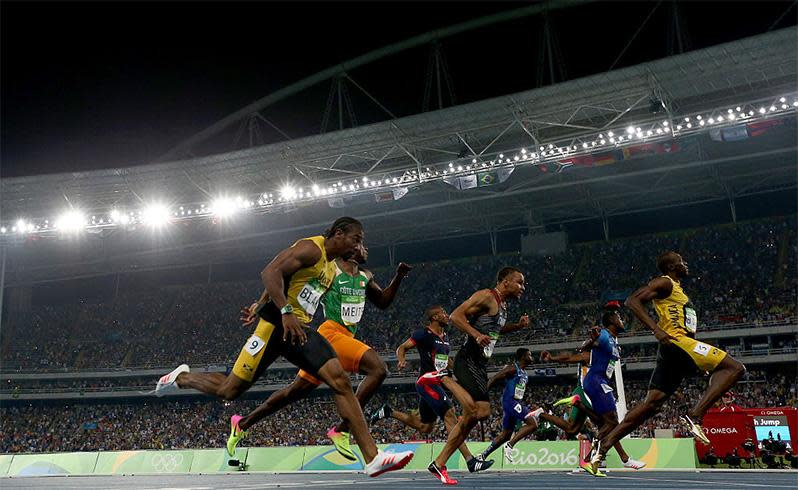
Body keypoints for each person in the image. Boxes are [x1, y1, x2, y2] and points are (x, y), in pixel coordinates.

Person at [153, 217, 413, 476]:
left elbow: (287, 279)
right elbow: (271, 271)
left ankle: (373, 458)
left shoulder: (331, 266)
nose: (359, 247)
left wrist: (261, 303)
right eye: (356, 240)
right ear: (338, 233)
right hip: (275, 327)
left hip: (298, 330)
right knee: (228, 390)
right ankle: (183, 378)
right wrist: (282, 310)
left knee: (340, 381)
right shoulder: (311, 248)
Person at [226, 243, 411, 461]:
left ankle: (242, 423)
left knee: (293, 392)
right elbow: (283, 275)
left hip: (345, 338)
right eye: (361, 244)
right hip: (331, 334)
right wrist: (262, 302)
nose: (366, 248)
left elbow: (382, 302)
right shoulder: (330, 270)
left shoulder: (365, 276)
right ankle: (342, 429)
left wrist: (398, 277)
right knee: (378, 369)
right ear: (350, 249)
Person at [589, 251, 746, 473]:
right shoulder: (665, 282)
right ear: (672, 267)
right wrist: (656, 329)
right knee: (735, 368)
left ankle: (604, 446)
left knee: (651, 405)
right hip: (677, 342)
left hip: (677, 350)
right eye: (681, 262)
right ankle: (695, 416)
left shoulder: (677, 289)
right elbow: (632, 301)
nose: (685, 264)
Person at [427, 266, 531, 485]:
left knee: (470, 418)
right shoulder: (487, 296)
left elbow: (495, 330)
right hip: (468, 361)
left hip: (480, 365)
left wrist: (517, 327)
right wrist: (475, 335)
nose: (523, 287)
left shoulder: (502, 307)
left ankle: (441, 462)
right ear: (505, 282)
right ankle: (444, 377)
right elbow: (456, 315)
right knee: (480, 411)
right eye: (519, 282)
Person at [370, 305, 494, 474]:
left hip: (439, 382)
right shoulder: (423, 334)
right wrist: (401, 360)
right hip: (428, 382)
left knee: (425, 427)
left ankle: (389, 411)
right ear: (435, 318)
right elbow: (402, 347)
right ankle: (470, 461)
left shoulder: (445, 336)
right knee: (450, 415)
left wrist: (460, 374)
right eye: (443, 313)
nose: (446, 315)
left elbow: (445, 359)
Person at [569, 308, 645, 476]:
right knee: (612, 423)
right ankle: (593, 458)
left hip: (600, 382)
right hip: (596, 382)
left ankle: (623, 459)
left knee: (610, 424)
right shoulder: (603, 334)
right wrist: (591, 340)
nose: (623, 320)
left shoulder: (612, 339)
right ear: (612, 321)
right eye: (619, 318)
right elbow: (585, 347)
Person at [478, 348, 543, 464]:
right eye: (530, 355)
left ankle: (482, 456)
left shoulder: (525, 374)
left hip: (516, 402)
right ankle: (510, 445)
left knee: (506, 434)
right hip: (510, 402)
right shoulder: (514, 368)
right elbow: (495, 377)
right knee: (533, 424)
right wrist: (483, 393)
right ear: (523, 356)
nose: (532, 357)